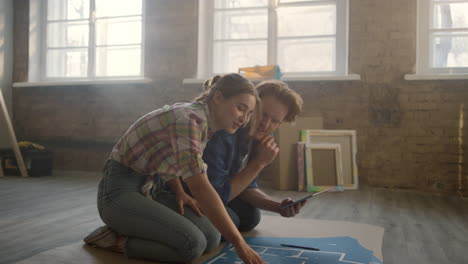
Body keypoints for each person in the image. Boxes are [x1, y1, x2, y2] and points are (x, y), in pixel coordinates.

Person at [83, 73, 266, 264]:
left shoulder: (205, 122)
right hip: (118, 193)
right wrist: (240, 244)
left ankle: (136, 225)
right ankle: (114, 239)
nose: (244, 119)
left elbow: (166, 156)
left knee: (212, 237)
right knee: (191, 245)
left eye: (250, 113)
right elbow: (201, 188)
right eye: (241, 108)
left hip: (152, 188)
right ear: (218, 98)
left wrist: (179, 190)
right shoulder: (188, 120)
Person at [202, 80, 304, 231]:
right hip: (200, 196)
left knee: (251, 216)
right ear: (251, 106)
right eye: (263, 114)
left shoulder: (258, 139)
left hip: (221, 193)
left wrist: (278, 207)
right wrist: (258, 163)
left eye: (275, 121)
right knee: (232, 220)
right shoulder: (224, 133)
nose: (266, 124)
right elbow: (217, 196)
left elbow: (246, 187)